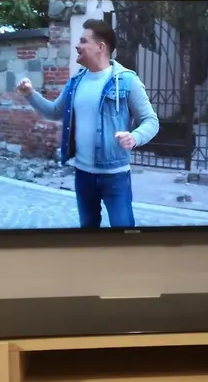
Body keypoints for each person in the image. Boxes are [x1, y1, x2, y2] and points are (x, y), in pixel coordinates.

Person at [16, 18, 159, 229]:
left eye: (83, 41)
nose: (77, 45)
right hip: (83, 174)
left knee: (124, 230)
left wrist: (135, 137)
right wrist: (30, 94)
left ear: (100, 47)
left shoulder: (127, 81)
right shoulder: (76, 81)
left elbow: (151, 121)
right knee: (88, 231)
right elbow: (54, 112)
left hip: (115, 176)